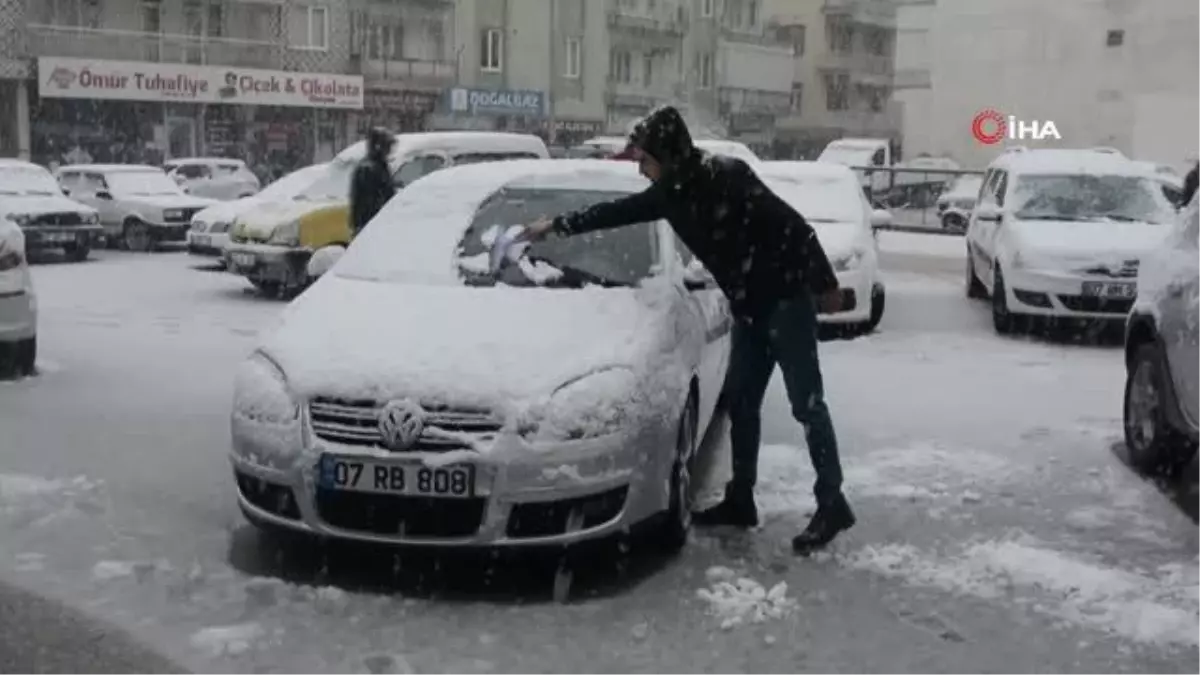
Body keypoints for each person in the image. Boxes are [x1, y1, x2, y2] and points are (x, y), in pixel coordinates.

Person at [518, 106, 855, 555]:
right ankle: (741, 499)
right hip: (750, 308)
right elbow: (615, 212)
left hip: (787, 302)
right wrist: (556, 226)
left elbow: (794, 227)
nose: (640, 168)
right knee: (742, 402)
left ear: (668, 154)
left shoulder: (729, 176)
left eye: (645, 158)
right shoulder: (668, 195)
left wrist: (825, 283)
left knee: (807, 405)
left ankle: (832, 501)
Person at [349, 127, 396, 236]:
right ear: (379, 147)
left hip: (376, 224)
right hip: (371, 226)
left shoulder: (379, 166)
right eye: (387, 146)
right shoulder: (369, 169)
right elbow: (369, 201)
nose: (389, 151)